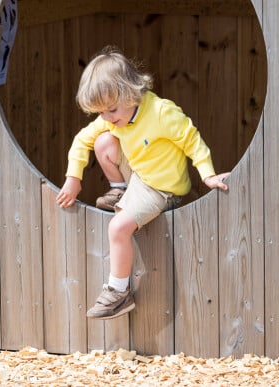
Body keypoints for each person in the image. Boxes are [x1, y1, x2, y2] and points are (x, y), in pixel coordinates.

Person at [56, 46, 230, 320]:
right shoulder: (113, 119)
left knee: (118, 228)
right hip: (138, 175)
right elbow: (81, 140)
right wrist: (73, 178)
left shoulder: (161, 113)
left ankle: (118, 292)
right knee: (102, 141)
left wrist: (208, 175)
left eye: (111, 110)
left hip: (162, 188)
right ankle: (120, 190)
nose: (107, 118)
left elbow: (192, 141)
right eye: (100, 113)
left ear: (130, 93)